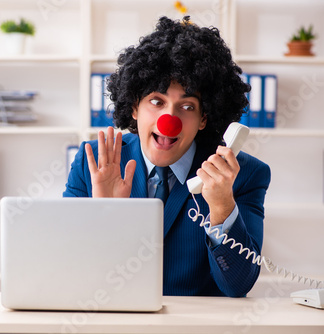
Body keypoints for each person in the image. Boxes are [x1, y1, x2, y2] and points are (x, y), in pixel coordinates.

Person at [63, 16, 271, 297]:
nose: (168, 120)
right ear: (134, 108)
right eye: (156, 102)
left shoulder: (244, 175)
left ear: (203, 118)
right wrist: (105, 216)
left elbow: (238, 285)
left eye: (186, 106)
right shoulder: (93, 164)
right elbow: (68, 273)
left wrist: (221, 208)